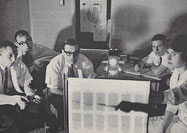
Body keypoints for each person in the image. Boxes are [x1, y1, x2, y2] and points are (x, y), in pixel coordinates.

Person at [45, 39, 96, 130]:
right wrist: (71, 95)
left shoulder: (85, 61)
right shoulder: (54, 64)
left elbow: (91, 83)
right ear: (63, 52)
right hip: (59, 93)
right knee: (60, 108)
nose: (72, 57)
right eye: (68, 53)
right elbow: (53, 89)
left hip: (80, 92)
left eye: (76, 53)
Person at [0, 41, 41, 132]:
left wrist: (31, 95)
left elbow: (26, 84)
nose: (14, 59)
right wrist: (14, 99)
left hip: (13, 105)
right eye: (10, 55)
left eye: (15, 55)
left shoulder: (18, 64)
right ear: (0, 53)